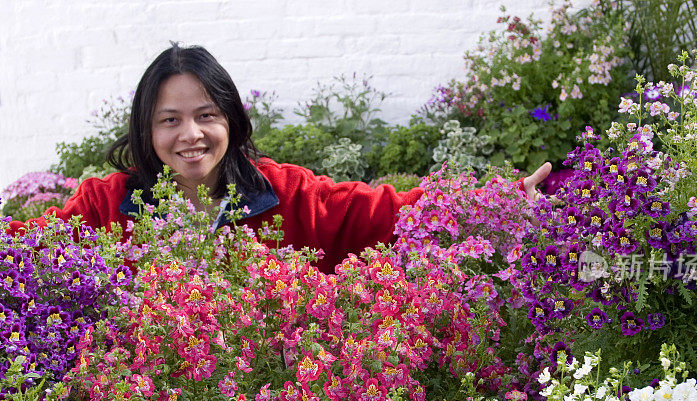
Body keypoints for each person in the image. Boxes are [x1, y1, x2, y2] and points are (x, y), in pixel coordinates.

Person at [8, 44, 551, 273]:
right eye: (169, 120)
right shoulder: (107, 206)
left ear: (231, 120)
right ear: (147, 130)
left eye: (206, 115)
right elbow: (27, 250)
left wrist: (494, 201)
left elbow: (388, 210)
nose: (190, 135)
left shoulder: (284, 195)